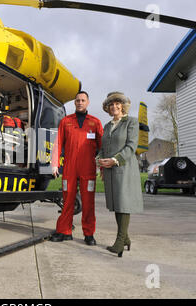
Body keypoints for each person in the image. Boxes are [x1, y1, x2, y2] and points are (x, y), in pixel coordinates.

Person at [50, 91, 104, 245]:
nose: (80, 102)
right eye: (77, 100)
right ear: (75, 103)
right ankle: (64, 231)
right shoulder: (65, 121)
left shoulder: (95, 122)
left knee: (88, 202)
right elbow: (58, 143)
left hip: (88, 168)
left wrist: (103, 167)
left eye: (83, 100)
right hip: (70, 168)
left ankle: (89, 234)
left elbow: (102, 147)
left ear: (87, 102)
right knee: (67, 200)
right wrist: (55, 164)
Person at [97, 92, 143, 257]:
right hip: (110, 170)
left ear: (122, 106)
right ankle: (126, 238)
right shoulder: (108, 126)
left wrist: (115, 160)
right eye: (111, 104)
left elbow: (131, 146)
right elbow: (103, 148)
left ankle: (120, 241)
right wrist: (100, 160)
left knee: (123, 203)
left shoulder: (131, 122)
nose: (114, 106)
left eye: (117, 103)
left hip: (124, 168)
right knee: (117, 204)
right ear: (108, 108)